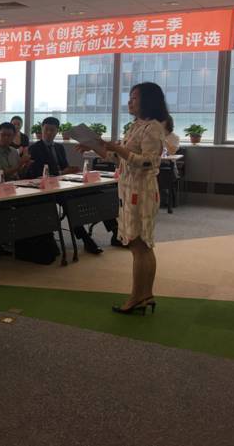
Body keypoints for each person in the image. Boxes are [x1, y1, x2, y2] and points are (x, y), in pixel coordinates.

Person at [78, 82, 167, 314]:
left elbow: (148, 162)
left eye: (134, 98)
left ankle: (137, 297)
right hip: (129, 190)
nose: (129, 102)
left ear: (147, 101)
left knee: (140, 245)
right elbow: (120, 159)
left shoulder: (153, 128)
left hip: (142, 191)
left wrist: (118, 148)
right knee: (140, 246)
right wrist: (94, 146)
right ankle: (145, 295)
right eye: (130, 97)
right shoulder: (136, 126)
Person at [28, 117, 110, 254]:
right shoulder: (34, 148)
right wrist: (61, 172)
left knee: (96, 194)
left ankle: (115, 232)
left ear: (57, 131)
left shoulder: (59, 147)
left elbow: (64, 167)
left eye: (52, 130)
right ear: (42, 130)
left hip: (64, 184)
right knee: (70, 204)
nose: (49, 133)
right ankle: (86, 239)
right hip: (48, 188)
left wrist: (71, 170)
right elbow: (36, 173)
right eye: (46, 130)